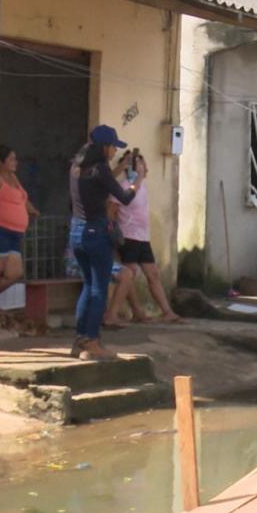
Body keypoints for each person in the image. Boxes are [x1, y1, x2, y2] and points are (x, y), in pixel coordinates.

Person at [69, 125, 144, 360]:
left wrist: (119, 168)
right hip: (95, 232)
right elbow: (124, 198)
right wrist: (137, 179)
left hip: (77, 232)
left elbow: (99, 182)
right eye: (113, 147)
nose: (114, 151)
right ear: (105, 147)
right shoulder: (100, 169)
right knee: (99, 288)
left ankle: (80, 340)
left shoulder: (76, 167)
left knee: (87, 286)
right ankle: (92, 341)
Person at [104, 150, 182, 324]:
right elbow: (111, 210)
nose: (145, 167)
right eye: (140, 163)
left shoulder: (142, 187)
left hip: (142, 237)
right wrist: (112, 233)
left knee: (152, 274)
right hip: (129, 236)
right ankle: (132, 312)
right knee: (130, 274)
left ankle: (167, 311)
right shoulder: (124, 186)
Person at [0, 145, 40, 298]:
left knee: (15, 273)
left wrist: (32, 209)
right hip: (1, 230)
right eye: (11, 159)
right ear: (1, 162)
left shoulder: (13, 178)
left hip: (16, 233)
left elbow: (21, 198)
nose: (16, 162)